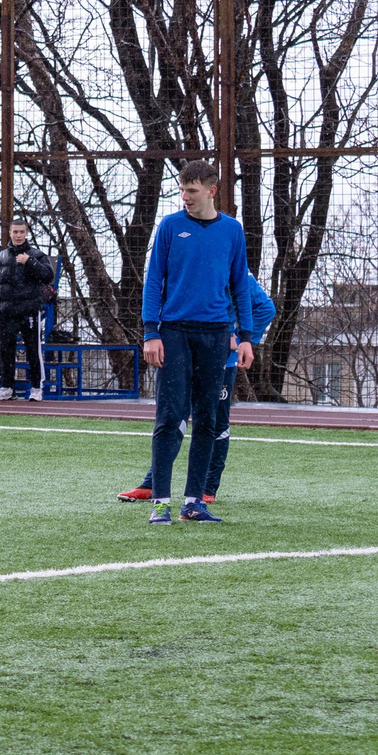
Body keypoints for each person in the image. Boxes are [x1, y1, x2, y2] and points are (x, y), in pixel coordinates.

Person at [140, 160, 256, 526]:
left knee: (207, 419)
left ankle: (194, 503)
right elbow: (154, 279)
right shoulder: (171, 227)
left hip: (217, 335)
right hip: (174, 333)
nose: (184, 197)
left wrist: (247, 338)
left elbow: (240, 285)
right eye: (181, 189)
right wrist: (151, 331)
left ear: (211, 190)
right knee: (169, 417)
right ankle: (160, 503)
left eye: (191, 190)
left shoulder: (232, 231)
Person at [122, 274, 274, 505]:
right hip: (184, 353)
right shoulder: (181, 265)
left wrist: (242, 339)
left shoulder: (235, 270)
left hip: (221, 360)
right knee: (174, 418)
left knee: (215, 423)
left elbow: (266, 308)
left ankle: (207, 488)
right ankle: (152, 483)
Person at [0, 218, 58, 401]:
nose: (18, 235)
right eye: (15, 232)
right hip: (7, 312)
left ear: (26, 233)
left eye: (21, 232)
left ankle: (36, 387)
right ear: (9, 233)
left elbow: (48, 276)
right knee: (6, 350)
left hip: (29, 311)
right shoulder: (0, 257)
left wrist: (30, 262)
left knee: (32, 350)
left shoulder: (36, 255)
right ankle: (6, 387)